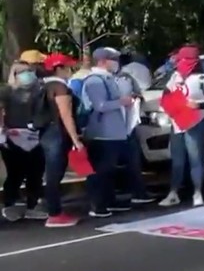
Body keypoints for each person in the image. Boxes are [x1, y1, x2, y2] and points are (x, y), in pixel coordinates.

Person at [158, 45, 204, 208]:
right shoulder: (175, 77)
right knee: (177, 159)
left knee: (195, 158)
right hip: (177, 121)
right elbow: (166, 93)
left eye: (183, 60)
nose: (180, 63)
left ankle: (198, 192)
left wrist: (198, 106)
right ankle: (173, 193)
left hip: (196, 122)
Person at [80, 47, 135, 218]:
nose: (115, 63)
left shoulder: (109, 79)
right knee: (100, 171)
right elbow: (100, 105)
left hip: (115, 132)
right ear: (103, 61)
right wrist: (122, 102)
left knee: (110, 170)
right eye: (113, 59)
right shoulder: (94, 81)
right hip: (102, 133)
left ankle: (110, 201)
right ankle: (98, 204)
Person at [36, 53, 84, 227]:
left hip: (45, 133)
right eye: (67, 67)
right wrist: (75, 139)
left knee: (51, 174)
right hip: (57, 133)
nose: (70, 70)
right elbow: (66, 115)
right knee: (54, 174)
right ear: (58, 68)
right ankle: (55, 213)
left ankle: (51, 208)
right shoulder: (60, 88)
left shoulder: (42, 86)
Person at [0, 62, 48, 221]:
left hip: (34, 135)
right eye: (22, 72)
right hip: (13, 135)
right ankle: (10, 204)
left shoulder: (39, 90)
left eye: (29, 71)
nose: (27, 74)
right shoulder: (7, 91)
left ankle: (32, 205)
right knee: (15, 172)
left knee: (35, 172)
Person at [113, 62, 155, 206]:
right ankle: (131, 193)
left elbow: (138, 95)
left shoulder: (125, 77)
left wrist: (135, 98)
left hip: (127, 125)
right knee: (120, 161)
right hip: (115, 127)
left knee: (132, 160)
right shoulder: (103, 80)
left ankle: (137, 192)